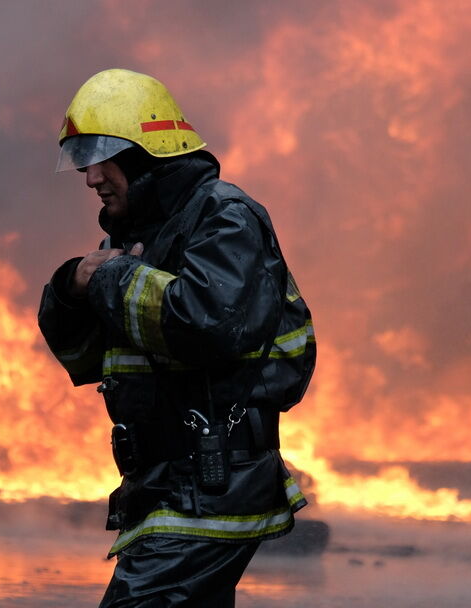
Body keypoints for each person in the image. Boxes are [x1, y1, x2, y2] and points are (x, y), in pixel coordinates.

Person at [38, 68, 316, 606]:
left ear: (144, 156)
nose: (90, 178)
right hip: (167, 489)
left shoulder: (226, 219)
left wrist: (113, 278)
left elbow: (208, 325)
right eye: (82, 162)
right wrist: (73, 285)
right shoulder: (137, 237)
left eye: (100, 158)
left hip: (211, 488)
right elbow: (82, 356)